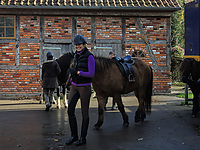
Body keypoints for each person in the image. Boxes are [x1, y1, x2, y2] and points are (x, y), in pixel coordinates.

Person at [66, 35, 95, 146]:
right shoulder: (76, 55)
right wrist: (70, 79)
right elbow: (75, 69)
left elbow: (91, 73)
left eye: (79, 44)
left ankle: (83, 138)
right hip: (74, 86)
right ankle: (74, 136)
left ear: (84, 44)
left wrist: (78, 73)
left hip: (85, 87)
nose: (78, 46)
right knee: (70, 110)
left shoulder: (90, 56)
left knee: (84, 112)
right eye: (76, 44)